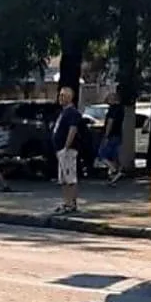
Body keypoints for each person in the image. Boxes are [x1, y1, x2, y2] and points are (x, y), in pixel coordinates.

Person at [52, 86, 82, 215]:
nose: (60, 98)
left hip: (68, 151)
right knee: (63, 179)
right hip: (60, 151)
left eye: (63, 95)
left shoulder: (72, 113)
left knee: (70, 178)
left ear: (70, 97)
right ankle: (66, 202)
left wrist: (66, 146)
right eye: (60, 95)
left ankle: (72, 204)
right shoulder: (63, 112)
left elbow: (73, 129)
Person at [98, 91, 125, 185]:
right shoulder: (121, 109)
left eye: (109, 98)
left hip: (111, 135)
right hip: (118, 135)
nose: (107, 100)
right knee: (113, 156)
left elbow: (110, 122)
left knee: (102, 154)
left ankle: (114, 170)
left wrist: (106, 135)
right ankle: (112, 178)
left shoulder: (112, 109)